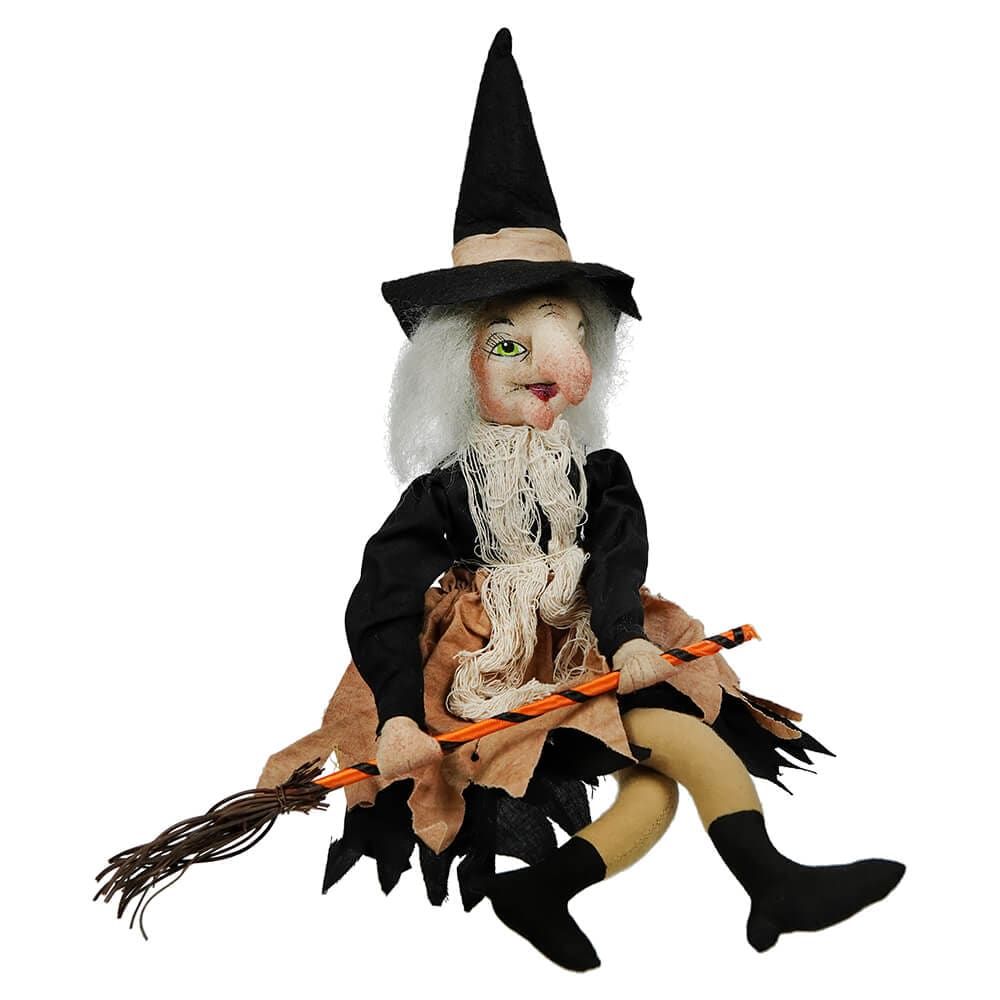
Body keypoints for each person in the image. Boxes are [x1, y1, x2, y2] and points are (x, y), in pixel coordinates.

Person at [258, 29, 903, 971]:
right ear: (456, 365)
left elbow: (617, 557)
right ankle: (768, 883)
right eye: (507, 343)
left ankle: (552, 891)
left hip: (591, 644)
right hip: (495, 669)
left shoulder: (597, 476)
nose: (546, 364)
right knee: (674, 746)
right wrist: (397, 712)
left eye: (564, 333)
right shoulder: (446, 491)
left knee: (659, 778)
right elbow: (383, 595)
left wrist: (628, 634)